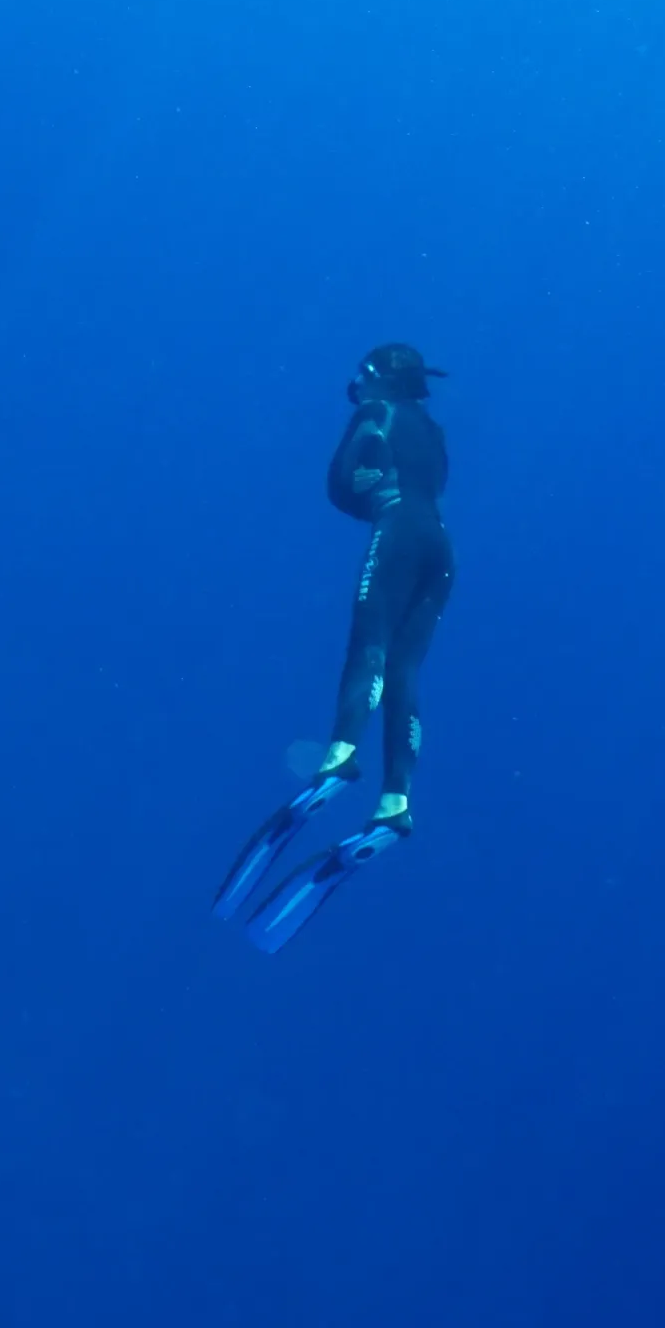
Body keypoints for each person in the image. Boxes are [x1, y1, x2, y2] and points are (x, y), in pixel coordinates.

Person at [213, 343, 455, 951]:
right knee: (405, 672)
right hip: (441, 548)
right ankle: (396, 800)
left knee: (368, 647)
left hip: (395, 527)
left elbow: (344, 483)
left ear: (376, 380)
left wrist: (362, 482)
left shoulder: (377, 415)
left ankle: (340, 757)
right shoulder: (432, 427)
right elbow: (434, 480)